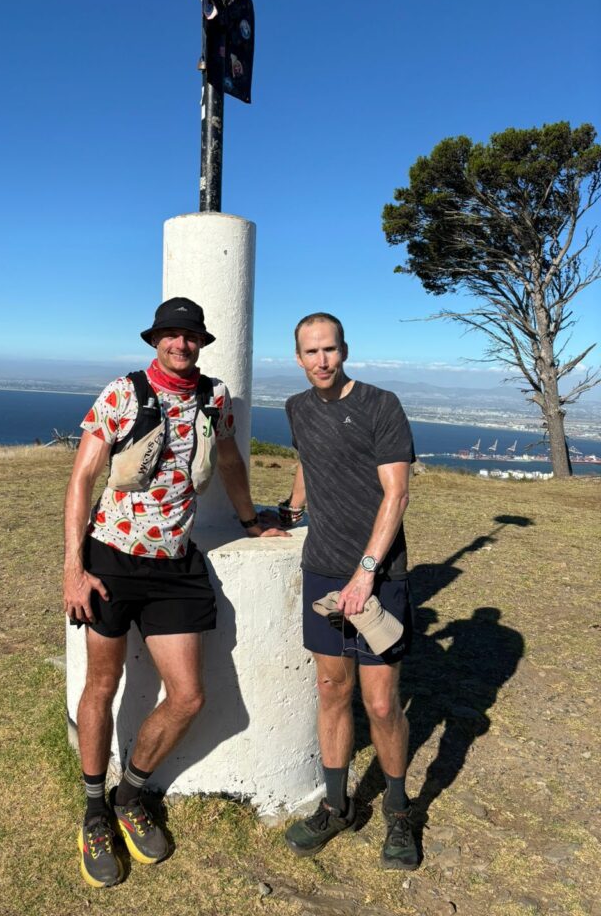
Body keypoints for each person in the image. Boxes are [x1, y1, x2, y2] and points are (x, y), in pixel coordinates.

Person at [64, 297, 287, 888]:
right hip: (110, 558)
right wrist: (72, 567)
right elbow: (82, 477)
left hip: (175, 565)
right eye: (170, 335)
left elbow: (232, 459)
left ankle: (128, 795)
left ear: (201, 344)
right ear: (155, 340)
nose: (180, 345)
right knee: (102, 684)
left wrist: (248, 520)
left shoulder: (214, 398)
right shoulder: (122, 393)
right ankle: (92, 812)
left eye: (190, 337)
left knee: (188, 695)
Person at [280, 312, 419, 871]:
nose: (321, 361)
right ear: (297, 357)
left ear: (345, 350)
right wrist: (288, 513)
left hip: (379, 575)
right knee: (332, 688)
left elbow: (397, 494)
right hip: (322, 571)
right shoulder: (296, 408)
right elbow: (309, 466)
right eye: (311, 352)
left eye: (330, 350)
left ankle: (398, 811)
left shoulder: (381, 405)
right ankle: (336, 806)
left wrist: (366, 573)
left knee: (382, 702)